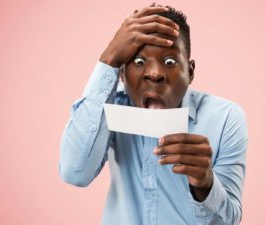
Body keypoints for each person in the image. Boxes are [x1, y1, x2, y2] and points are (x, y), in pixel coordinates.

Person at [59, 4, 248, 225]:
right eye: (139, 62)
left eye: (170, 62)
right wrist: (109, 59)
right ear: (122, 74)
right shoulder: (109, 107)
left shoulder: (226, 118)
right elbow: (75, 173)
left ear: (190, 71)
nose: (155, 73)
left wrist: (205, 184)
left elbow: (230, 220)